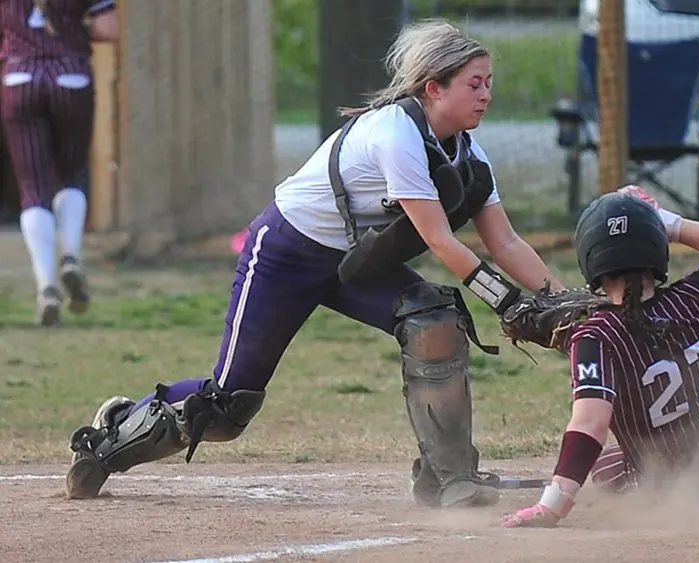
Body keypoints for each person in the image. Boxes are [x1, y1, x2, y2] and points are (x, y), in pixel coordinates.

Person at [64, 18, 565, 510]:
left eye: (489, 84)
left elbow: (507, 242)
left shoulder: (468, 155)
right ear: (433, 87)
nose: (486, 95)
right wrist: (508, 301)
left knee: (432, 320)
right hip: (286, 253)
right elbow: (439, 240)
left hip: (353, 263)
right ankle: (115, 432)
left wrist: (562, 303)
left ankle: (449, 478)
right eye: (474, 84)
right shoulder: (397, 135)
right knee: (228, 407)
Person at [502, 190, 699, 528]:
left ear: (590, 262)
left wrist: (552, 505)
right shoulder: (697, 296)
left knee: (606, 472)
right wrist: (672, 223)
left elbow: (589, 424)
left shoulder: (595, 336)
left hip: (673, 476)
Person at [0, 0, 119, 325]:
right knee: (70, 174)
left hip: (20, 76)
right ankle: (71, 255)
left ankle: (46, 285)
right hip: (71, 76)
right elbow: (108, 28)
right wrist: (70, 30)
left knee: (32, 186)